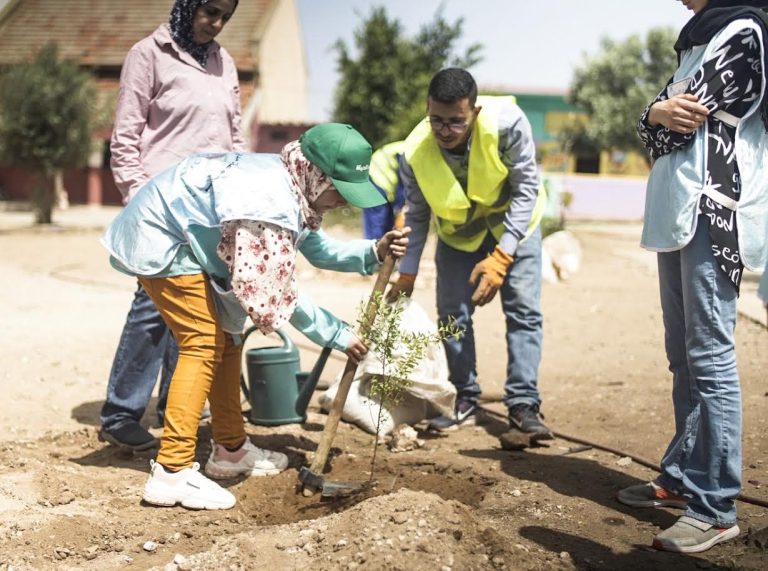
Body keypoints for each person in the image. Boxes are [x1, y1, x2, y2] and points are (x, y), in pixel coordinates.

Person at [101, 123, 410, 510]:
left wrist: (372, 252)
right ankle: (172, 471)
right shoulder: (268, 201)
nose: (344, 203)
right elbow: (275, 291)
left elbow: (315, 247)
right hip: (166, 240)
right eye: (341, 191)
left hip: (194, 246)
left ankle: (230, 450)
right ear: (318, 175)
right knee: (202, 342)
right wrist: (336, 334)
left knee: (227, 341)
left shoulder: (294, 188)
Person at [617, 0, 768, 553]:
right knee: (683, 354)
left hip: (713, 208)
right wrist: (655, 114)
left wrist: (656, 112)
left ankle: (716, 505)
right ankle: (684, 478)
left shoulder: (744, 29)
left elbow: (683, 114)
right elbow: (655, 125)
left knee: (710, 357)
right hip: (678, 210)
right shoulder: (697, 35)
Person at [101, 0, 245, 450]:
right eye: (208, 11)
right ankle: (121, 412)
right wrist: (138, 198)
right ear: (186, 5)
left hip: (213, 207)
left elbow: (235, 134)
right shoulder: (149, 54)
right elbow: (125, 136)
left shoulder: (225, 63)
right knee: (151, 306)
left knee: (200, 306)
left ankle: (174, 403)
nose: (215, 23)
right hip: (162, 204)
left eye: (225, 15)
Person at [386, 68, 551, 439]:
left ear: (473, 112)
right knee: (452, 315)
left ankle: (524, 405)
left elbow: (526, 189)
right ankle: (465, 398)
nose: (445, 131)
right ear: (428, 109)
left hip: (515, 228)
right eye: (437, 121)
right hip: (458, 236)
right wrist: (408, 272)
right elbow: (417, 211)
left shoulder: (508, 126)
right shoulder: (413, 152)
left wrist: (504, 256)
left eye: (456, 122)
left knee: (523, 312)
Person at [362, 141, 406, 240]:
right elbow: (403, 185)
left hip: (373, 178)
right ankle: (374, 250)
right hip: (376, 180)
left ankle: (382, 249)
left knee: (386, 221)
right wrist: (400, 207)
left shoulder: (402, 147)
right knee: (378, 221)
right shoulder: (407, 152)